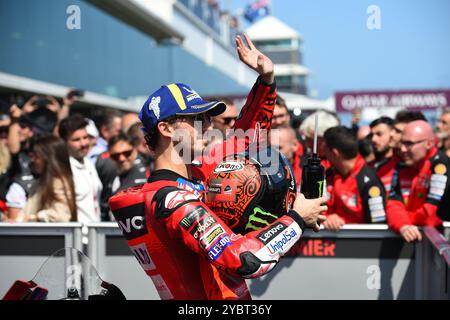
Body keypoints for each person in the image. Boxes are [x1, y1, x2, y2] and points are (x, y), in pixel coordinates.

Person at [109, 34, 327, 300]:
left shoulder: (196, 175)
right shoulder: (171, 200)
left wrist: (266, 80)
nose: (209, 125)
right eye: (196, 118)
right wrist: (296, 219)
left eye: (207, 118)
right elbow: (244, 259)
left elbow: (245, 138)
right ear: (165, 128)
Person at [386, 120, 449, 242]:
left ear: (429, 143)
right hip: (411, 240)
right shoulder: (402, 165)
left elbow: (432, 215)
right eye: (402, 143)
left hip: (438, 246)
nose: (403, 149)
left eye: (409, 144)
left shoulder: (441, 165)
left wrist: (404, 218)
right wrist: (403, 226)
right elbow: (393, 204)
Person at [323, 126, 387, 231]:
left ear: (335, 153)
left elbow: (378, 227)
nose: (324, 154)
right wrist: (327, 218)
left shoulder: (369, 181)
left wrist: (341, 223)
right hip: (326, 244)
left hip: (358, 244)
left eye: (325, 149)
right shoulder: (327, 175)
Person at [16, 135, 76, 222]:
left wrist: (35, 218)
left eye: (37, 156)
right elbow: (26, 212)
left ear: (48, 159)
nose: (33, 160)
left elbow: (62, 215)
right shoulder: (39, 183)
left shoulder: (58, 183)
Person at [58, 115, 102, 224]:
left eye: (85, 137)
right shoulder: (63, 170)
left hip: (96, 234)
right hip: (75, 237)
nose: (84, 143)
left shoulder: (89, 163)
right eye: (76, 140)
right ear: (64, 142)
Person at [368, 117, 397, 193]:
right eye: (371, 135)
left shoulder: (400, 167)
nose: (373, 139)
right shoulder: (367, 168)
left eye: (379, 134)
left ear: (392, 134)